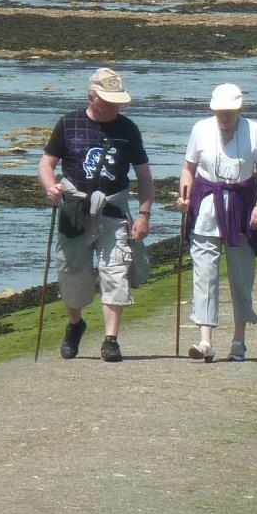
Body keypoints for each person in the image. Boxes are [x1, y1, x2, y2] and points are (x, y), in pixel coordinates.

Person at [37, 67, 154, 363]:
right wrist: (51, 189)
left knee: (115, 272)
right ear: (92, 97)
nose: (115, 106)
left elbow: (144, 176)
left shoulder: (128, 129)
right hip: (75, 210)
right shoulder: (69, 123)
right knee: (72, 278)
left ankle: (111, 340)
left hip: (114, 211)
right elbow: (46, 165)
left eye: (118, 101)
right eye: (109, 100)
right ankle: (76, 324)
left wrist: (143, 214)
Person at [176, 83, 257, 363]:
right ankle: (205, 341)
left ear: (239, 109)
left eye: (229, 111)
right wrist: (184, 197)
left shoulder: (255, 131)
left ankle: (239, 341)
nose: (224, 116)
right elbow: (188, 169)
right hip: (206, 207)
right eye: (219, 111)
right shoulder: (200, 129)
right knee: (205, 275)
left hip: (242, 207)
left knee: (241, 276)